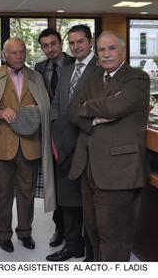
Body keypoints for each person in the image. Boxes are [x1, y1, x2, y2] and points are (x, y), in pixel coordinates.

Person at [68, 31, 150, 262]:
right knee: (93, 231)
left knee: (114, 235)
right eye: (101, 50)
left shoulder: (137, 78)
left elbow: (115, 107)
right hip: (89, 167)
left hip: (119, 170)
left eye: (111, 48)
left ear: (122, 51)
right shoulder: (93, 80)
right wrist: (94, 116)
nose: (106, 54)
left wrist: (88, 106)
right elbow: (73, 111)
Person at [0, 37, 55, 253]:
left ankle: (25, 232)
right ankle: (3, 234)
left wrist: (35, 110)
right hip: (2, 146)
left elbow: (47, 108)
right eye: (14, 52)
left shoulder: (37, 77)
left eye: (22, 52)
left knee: (27, 193)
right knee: (2, 194)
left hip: (30, 146)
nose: (19, 56)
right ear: (5, 55)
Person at [46, 24, 98, 262]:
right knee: (67, 200)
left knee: (88, 201)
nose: (76, 46)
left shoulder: (101, 68)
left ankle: (91, 250)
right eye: (73, 42)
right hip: (64, 144)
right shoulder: (67, 70)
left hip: (89, 144)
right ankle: (73, 246)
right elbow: (56, 103)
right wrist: (57, 130)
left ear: (91, 42)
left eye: (81, 42)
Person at [35, 27, 75, 248]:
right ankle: (59, 229)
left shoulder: (74, 64)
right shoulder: (39, 68)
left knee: (72, 185)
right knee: (56, 184)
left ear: (61, 44)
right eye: (45, 45)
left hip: (71, 132)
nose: (50, 49)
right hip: (49, 134)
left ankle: (75, 232)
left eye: (53, 44)